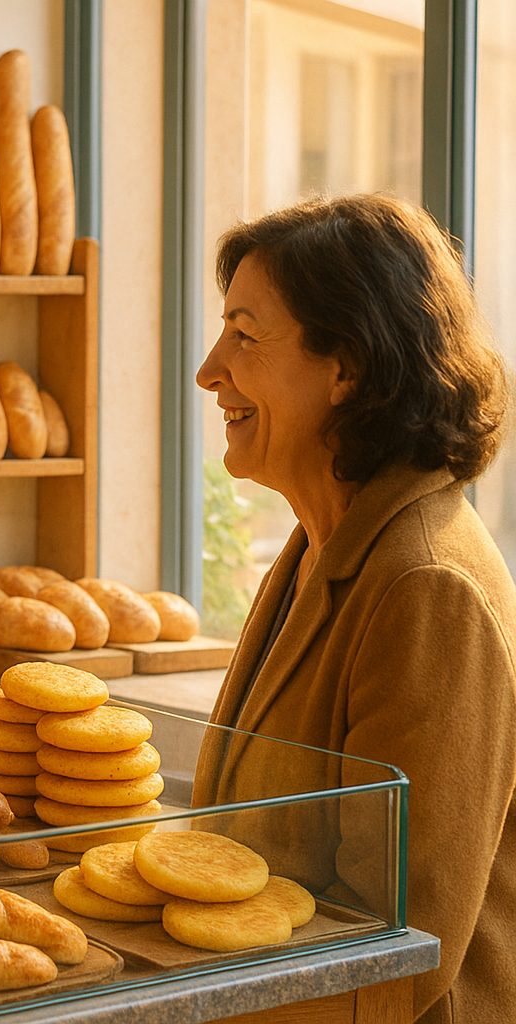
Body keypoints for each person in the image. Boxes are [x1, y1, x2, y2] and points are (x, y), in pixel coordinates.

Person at [192, 193, 515, 1024]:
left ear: (349, 367)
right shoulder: (320, 543)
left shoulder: (427, 587)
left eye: (245, 334)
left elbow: (390, 954)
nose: (209, 369)